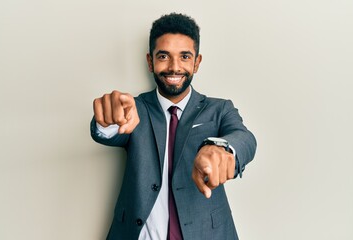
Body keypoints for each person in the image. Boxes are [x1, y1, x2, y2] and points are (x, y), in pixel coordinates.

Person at [90, 13, 256, 240]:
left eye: (185, 56)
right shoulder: (135, 109)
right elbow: (108, 132)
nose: (174, 67)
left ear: (196, 63)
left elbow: (244, 138)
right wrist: (107, 119)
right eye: (164, 56)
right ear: (150, 62)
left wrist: (224, 149)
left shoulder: (219, 109)